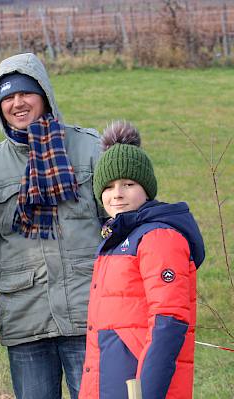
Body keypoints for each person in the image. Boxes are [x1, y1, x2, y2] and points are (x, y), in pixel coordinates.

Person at [0, 52, 103, 399]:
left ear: (45, 95)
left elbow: (126, 229)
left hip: (91, 315)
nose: (18, 103)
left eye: (26, 93)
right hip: (26, 322)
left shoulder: (90, 149)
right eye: (8, 97)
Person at [78, 121, 205, 399]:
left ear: (147, 189)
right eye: (109, 186)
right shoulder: (116, 242)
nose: (117, 194)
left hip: (140, 388)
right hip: (110, 384)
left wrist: (147, 392)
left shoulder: (159, 238)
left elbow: (168, 320)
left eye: (128, 184)